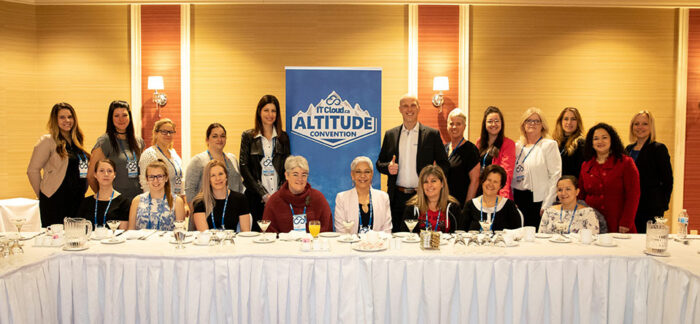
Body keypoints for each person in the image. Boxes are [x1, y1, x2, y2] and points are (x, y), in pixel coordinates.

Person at [376, 94, 449, 232]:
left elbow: (444, 164)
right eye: (405, 106)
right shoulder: (390, 134)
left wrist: (432, 182)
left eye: (413, 105)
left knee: (420, 236)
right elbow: (379, 163)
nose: (409, 109)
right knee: (397, 235)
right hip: (396, 196)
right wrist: (388, 168)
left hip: (422, 196)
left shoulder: (432, 135)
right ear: (400, 109)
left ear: (418, 108)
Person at [27, 103, 90, 226]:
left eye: (70, 117)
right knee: (56, 240)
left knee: (76, 237)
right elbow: (32, 170)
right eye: (62, 117)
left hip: (77, 199)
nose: (67, 120)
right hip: (55, 200)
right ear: (55, 120)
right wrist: (43, 194)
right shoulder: (48, 141)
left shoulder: (76, 141)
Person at [239, 95, 290, 231]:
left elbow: (287, 167)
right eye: (266, 110)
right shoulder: (248, 136)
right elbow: (244, 167)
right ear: (259, 112)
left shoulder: (283, 137)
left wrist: (277, 195)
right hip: (255, 198)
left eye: (273, 111)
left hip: (278, 198)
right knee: (256, 236)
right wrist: (263, 194)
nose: (270, 114)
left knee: (277, 235)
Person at [579, 123, 640, 233]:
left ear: (612, 140)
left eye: (604, 137)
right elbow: (581, 196)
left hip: (617, 222)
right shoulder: (586, 165)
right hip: (592, 223)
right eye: (596, 138)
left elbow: (633, 195)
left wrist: (626, 222)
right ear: (591, 143)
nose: (600, 141)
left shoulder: (625, 163)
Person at [185, 123, 244, 228]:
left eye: (222, 136)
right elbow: (190, 191)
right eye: (215, 136)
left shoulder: (232, 159)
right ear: (207, 140)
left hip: (231, 216)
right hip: (206, 216)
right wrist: (198, 216)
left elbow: (239, 186)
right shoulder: (198, 161)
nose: (219, 139)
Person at [512, 107, 562, 229]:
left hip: (537, 200)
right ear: (523, 125)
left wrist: (547, 204)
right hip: (517, 198)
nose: (532, 124)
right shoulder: (517, 146)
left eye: (536, 121)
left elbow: (555, 176)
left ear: (542, 125)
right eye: (528, 120)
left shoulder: (549, 145)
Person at [625, 111, 673, 233]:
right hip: (630, 207)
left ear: (651, 127)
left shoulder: (658, 149)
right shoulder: (627, 150)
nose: (640, 127)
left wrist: (661, 205)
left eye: (645, 124)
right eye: (636, 124)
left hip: (650, 208)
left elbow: (668, 181)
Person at [88, 100, 145, 202]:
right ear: (111, 118)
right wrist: (103, 198)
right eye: (116, 116)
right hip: (115, 202)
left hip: (137, 200)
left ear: (129, 117)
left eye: (124, 115)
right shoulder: (105, 141)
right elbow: (91, 176)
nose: (121, 119)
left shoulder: (138, 141)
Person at [262, 156, 332, 233]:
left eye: (304, 175)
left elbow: (327, 230)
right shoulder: (274, 201)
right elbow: (268, 234)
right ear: (286, 175)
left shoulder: (318, 198)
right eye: (295, 174)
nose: (300, 179)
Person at [334, 156, 392, 234]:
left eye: (367, 172)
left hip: (377, 245)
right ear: (352, 175)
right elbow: (341, 232)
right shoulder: (342, 198)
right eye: (358, 172)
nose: (362, 175)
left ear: (372, 174)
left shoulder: (383, 197)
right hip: (350, 245)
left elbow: (387, 231)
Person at [192, 160, 252, 231]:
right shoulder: (200, 202)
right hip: (209, 241)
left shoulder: (240, 199)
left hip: (233, 241)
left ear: (226, 176)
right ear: (208, 180)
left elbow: (245, 232)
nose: (218, 178)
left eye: (220, 174)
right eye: (213, 175)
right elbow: (204, 234)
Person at [403, 165, 462, 234]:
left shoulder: (453, 207)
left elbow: (459, 235)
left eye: (433, 181)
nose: (429, 185)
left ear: (442, 183)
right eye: (425, 182)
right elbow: (405, 236)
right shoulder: (412, 207)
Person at [128, 160, 185, 230]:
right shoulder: (137, 200)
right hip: (142, 241)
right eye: (151, 177)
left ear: (166, 178)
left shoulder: (177, 201)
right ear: (147, 179)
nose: (155, 180)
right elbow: (131, 231)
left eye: (159, 176)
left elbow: (180, 231)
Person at [463, 165, 522, 232]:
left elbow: (517, 234)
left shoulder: (509, 206)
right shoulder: (470, 205)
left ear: (501, 186)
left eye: (495, 182)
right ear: (483, 181)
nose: (491, 184)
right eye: (489, 180)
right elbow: (461, 233)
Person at [77, 159, 129, 229]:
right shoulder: (86, 202)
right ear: (95, 174)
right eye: (101, 171)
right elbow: (79, 229)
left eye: (109, 171)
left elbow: (123, 232)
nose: (106, 174)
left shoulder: (123, 203)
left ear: (114, 175)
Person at [476, 106, 516, 199]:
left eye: (497, 121)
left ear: (502, 123)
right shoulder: (479, 142)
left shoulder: (508, 144)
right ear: (485, 124)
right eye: (490, 121)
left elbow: (506, 173)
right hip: (480, 191)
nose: (493, 124)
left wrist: (503, 198)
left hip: (496, 192)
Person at [139, 119, 185, 197]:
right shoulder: (149, 154)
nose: (168, 135)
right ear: (156, 133)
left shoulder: (173, 153)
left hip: (176, 199)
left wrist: (183, 200)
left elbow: (180, 179)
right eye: (164, 131)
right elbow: (145, 183)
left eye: (171, 132)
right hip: (159, 200)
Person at [444, 108, 480, 205]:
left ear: (464, 126)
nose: (454, 127)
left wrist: (466, 208)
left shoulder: (471, 150)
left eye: (458, 124)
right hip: (443, 203)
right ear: (447, 126)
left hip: (461, 204)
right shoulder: (444, 148)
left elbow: (475, 181)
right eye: (451, 123)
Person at [553, 107, 586, 178]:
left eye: (573, 119)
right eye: (566, 119)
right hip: (556, 185)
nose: (569, 122)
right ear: (560, 121)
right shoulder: (554, 142)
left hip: (572, 186)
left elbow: (581, 172)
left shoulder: (581, 143)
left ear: (578, 122)